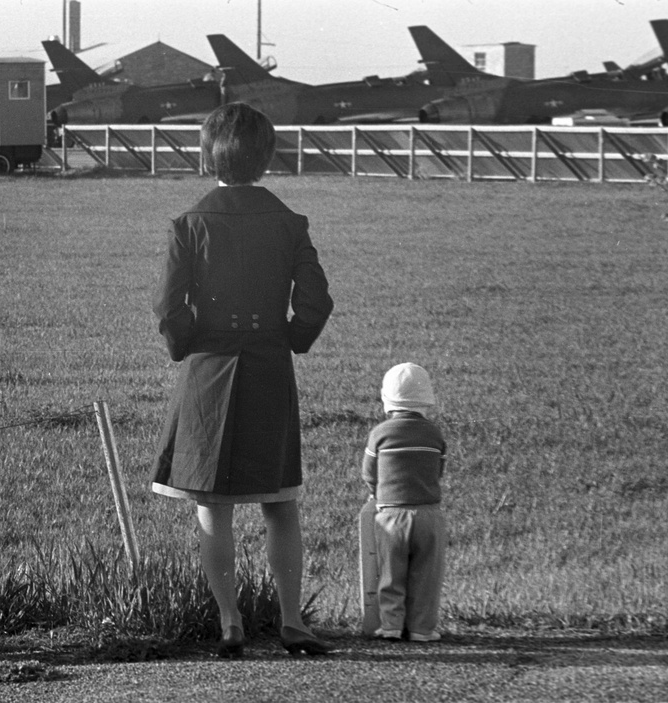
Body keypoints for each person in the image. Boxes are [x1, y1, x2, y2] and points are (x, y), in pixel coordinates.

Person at [151, 102, 334, 658]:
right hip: (269, 364)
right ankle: (292, 620)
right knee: (280, 499)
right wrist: (291, 338)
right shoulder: (289, 222)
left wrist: (189, 341)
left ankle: (230, 620)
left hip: (209, 366)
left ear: (209, 155)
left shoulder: (190, 223)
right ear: (266, 155)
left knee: (214, 501)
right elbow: (316, 301)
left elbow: (166, 305)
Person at [362, 363, 447, 642]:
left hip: (391, 514)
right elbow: (438, 471)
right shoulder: (434, 434)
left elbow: (369, 472)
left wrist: (376, 492)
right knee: (426, 575)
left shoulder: (380, 433)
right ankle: (423, 629)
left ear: (387, 400)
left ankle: (391, 626)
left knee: (390, 572)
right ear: (426, 400)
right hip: (429, 514)